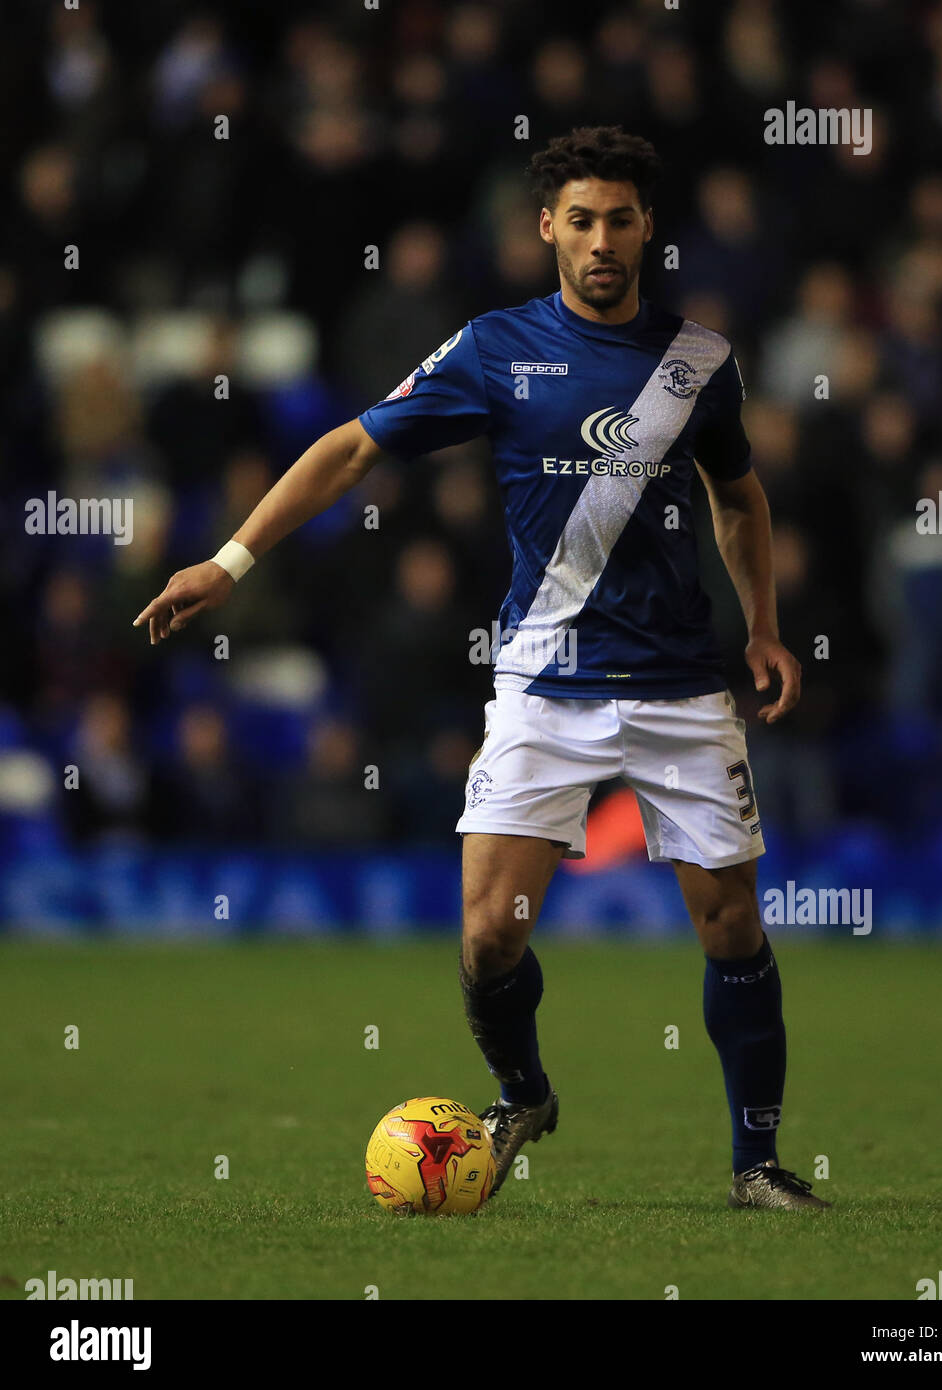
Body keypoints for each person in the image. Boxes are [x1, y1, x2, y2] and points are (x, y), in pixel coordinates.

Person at [134, 126, 827, 1211]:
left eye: (622, 220)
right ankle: (522, 1093)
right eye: (582, 219)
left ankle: (755, 1165)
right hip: (542, 683)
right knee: (485, 937)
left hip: (681, 687)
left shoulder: (698, 362)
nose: (602, 240)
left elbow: (735, 496)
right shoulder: (493, 348)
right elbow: (353, 447)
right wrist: (229, 559)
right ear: (546, 225)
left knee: (732, 925)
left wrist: (763, 627)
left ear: (648, 228)